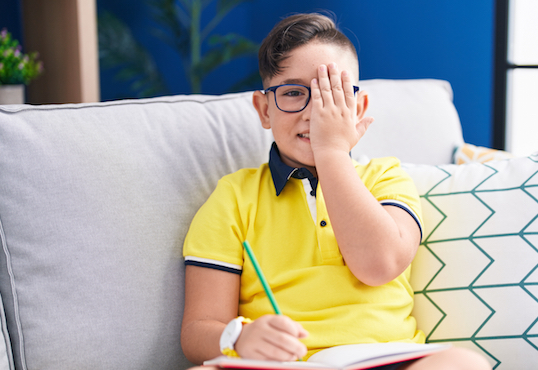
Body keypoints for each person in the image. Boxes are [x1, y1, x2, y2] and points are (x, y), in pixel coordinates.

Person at [181, 12, 491, 370]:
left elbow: (378, 265)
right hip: (286, 366)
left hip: (388, 361)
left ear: (357, 109)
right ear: (264, 109)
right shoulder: (233, 197)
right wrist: (239, 337)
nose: (316, 114)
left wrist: (331, 152)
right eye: (295, 93)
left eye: (334, 95)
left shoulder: (386, 177)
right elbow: (196, 331)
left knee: (464, 363)